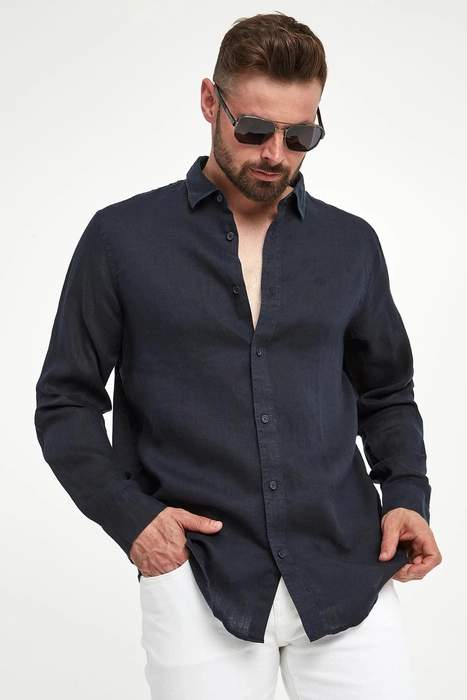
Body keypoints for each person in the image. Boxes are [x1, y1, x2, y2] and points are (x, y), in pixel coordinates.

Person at [34, 12, 442, 700]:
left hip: (346, 568)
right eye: (253, 129)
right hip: (199, 575)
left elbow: (386, 392)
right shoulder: (121, 239)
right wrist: (133, 521)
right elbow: (65, 401)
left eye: (299, 136)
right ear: (209, 102)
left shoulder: (351, 245)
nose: (275, 154)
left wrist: (406, 494)